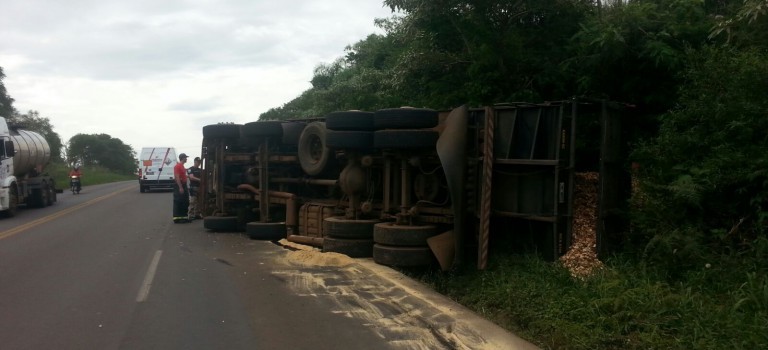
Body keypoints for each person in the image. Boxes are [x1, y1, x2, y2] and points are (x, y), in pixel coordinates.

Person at [173, 153, 190, 223]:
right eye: (185, 158)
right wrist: (180, 187)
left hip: (184, 185)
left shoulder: (182, 166)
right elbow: (177, 177)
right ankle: (177, 218)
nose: (186, 159)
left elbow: (184, 175)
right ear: (183, 158)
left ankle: (184, 217)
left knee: (185, 201)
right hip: (180, 185)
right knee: (179, 201)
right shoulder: (178, 166)